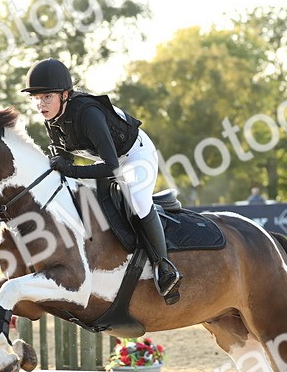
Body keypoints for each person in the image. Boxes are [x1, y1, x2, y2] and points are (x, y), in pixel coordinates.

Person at [22, 58, 181, 303]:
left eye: (47, 97)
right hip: (108, 160)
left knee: (138, 201)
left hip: (134, 156)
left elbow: (111, 167)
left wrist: (70, 171)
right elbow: (65, 164)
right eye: (36, 98)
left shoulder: (88, 114)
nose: (40, 104)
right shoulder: (51, 119)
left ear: (65, 95)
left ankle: (164, 266)